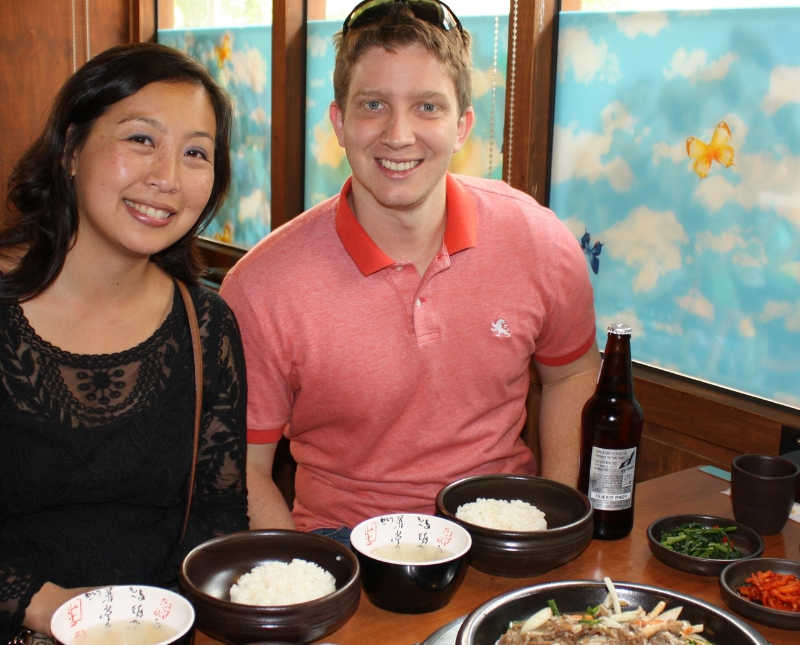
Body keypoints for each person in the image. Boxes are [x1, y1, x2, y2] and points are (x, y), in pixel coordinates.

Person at [221, 0, 600, 541]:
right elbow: (245, 471)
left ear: (463, 125)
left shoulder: (537, 238)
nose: (399, 135)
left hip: (502, 526)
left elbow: (572, 373)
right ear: (339, 122)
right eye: (373, 105)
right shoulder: (262, 286)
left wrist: (558, 519)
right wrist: (305, 578)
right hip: (346, 541)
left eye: (427, 107)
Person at [0, 43, 248, 642]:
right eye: (141, 139)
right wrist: (42, 605)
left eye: (195, 152)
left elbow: (219, 515)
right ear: (70, 149)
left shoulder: (207, 322)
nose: (166, 178)